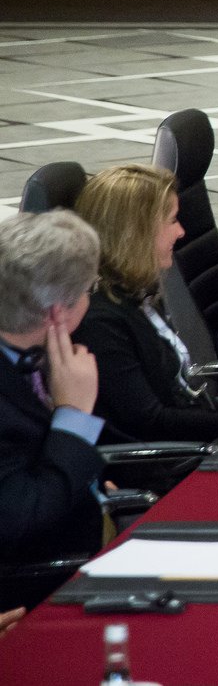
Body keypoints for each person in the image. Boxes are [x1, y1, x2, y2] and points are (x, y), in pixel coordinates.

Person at [70, 165, 218, 443]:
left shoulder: (136, 293)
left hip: (192, 445)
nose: (181, 232)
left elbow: (178, 398)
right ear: (137, 233)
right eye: (172, 220)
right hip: (166, 470)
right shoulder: (101, 323)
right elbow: (151, 421)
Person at [0, 210, 112, 574]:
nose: (90, 299)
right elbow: (22, 518)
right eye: (87, 290)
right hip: (44, 581)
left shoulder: (35, 354)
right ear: (56, 313)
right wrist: (73, 417)